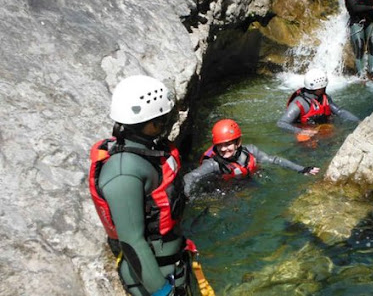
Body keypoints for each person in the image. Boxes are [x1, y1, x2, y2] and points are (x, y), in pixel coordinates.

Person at [88, 75, 193, 296]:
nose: (165, 124)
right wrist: (164, 292)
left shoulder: (150, 152)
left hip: (172, 263)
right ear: (148, 124)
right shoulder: (123, 173)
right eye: (161, 120)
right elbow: (132, 241)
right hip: (154, 280)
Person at [184, 118, 320, 197]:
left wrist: (302, 169)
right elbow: (189, 177)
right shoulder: (213, 164)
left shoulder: (251, 151)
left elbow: (274, 160)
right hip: (226, 190)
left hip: (247, 180)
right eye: (220, 145)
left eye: (228, 144)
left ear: (238, 142)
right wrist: (187, 196)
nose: (224, 149)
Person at [277, 68, 360, 139]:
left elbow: (339, 112)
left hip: (321, 130)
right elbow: (281, 123)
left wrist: (358, 121)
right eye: (323, 87)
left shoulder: (324, 97)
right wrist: (301, 131)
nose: (325, 89)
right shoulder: (298, 104)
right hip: (306, 133)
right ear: (319, 88)